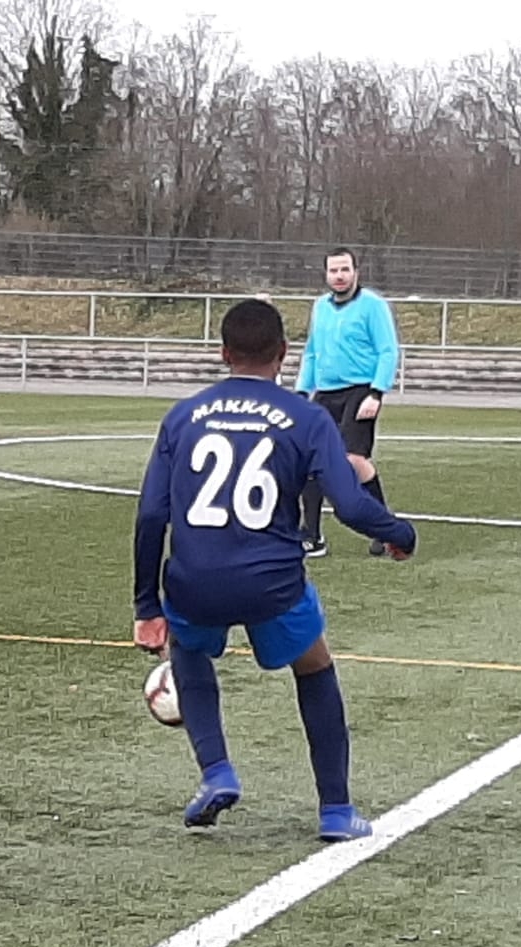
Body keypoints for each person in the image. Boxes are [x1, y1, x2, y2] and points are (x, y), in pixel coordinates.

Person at [133, 299, 417, 843]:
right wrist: (399, 533)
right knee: (315, 666)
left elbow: (150, 516)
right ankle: (336, 810)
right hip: (272, 583)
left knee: (187, 648)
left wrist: (148, 606)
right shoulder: (307, 418)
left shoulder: (183, 416)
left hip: (195, 581)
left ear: (223, 353)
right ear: (284, 353)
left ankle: (217, 771)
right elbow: (350, 505)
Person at [294, 247, 401, 558]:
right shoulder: (320, 307)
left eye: (344, 270)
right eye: (333, 270)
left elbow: (387, 350)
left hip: (360, 390)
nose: (339, 276)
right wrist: (302, 391)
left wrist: (376, 392)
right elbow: (312, 352)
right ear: (325, 274)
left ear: (356, 272)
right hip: (325, 392)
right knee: (310, 458)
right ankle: (312, 536)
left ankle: (385, 528)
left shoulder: (373, 306)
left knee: (354, 459)